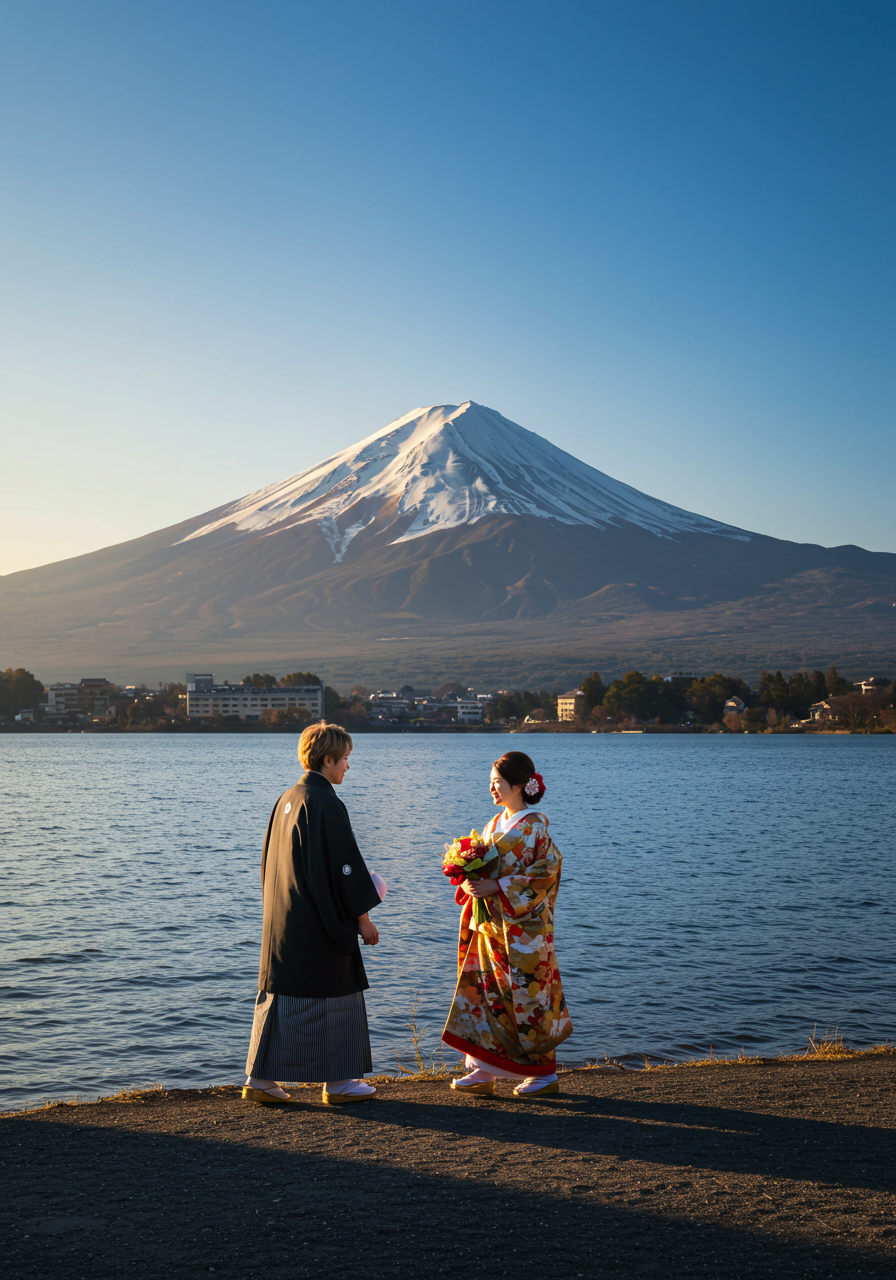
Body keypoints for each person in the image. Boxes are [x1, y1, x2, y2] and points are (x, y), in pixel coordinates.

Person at [243, 721, 383, 1105]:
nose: (347, 768)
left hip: (284, 917)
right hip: (318, 920)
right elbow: (343, 868)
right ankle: (338, 1082)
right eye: (345, 760)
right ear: (327, 759)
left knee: (280, 996)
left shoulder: (288, 797)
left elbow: (269, 862)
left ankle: (260, 1079)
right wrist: (363, 916)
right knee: (336, 992)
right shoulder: (325, 803)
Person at [441, 750, 572, 1098]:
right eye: (490, 783)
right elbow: (483, 869)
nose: (492, 790)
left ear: (518, 785)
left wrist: (497, 885)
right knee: (487, 994)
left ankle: (543, 1073)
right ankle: (484, 1069)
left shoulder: (534, 826)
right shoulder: (493, 824)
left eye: (497, 783)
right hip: (491, 928)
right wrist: (469, 882)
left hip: (524, 933)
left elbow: (546, 873)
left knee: (530, 997)